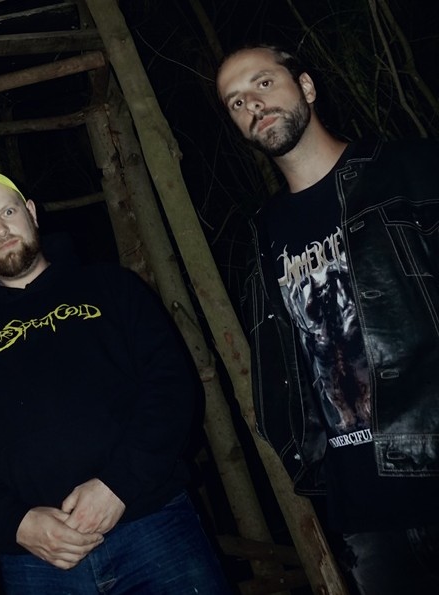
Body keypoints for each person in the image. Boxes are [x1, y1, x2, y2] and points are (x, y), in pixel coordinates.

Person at [0, 171, 231, 594]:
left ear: (31, 212)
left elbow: (171, 388)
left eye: (8, 212)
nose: (0, 230)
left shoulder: (112, 287)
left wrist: (119, 485)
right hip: (38, 560)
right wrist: (16, 523)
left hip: (151, 524)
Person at [216, 44, 439, 594]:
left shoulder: (409, 170)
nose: (252, 104)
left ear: (307, 87)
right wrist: (308, 465)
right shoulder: (262, 234)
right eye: (236, 101)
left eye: (263, 83)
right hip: (360, 514)